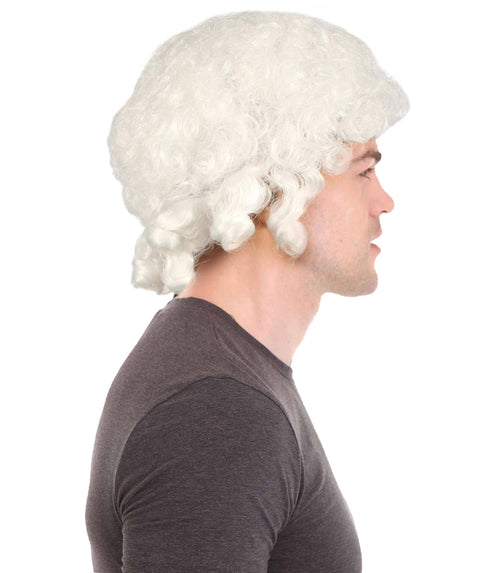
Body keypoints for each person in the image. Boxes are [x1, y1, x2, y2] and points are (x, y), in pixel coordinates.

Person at [85, 11, 409, 572]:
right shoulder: (216, 412)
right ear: (272, 187)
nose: (385, 202)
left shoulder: (219, 371)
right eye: (363, 171)